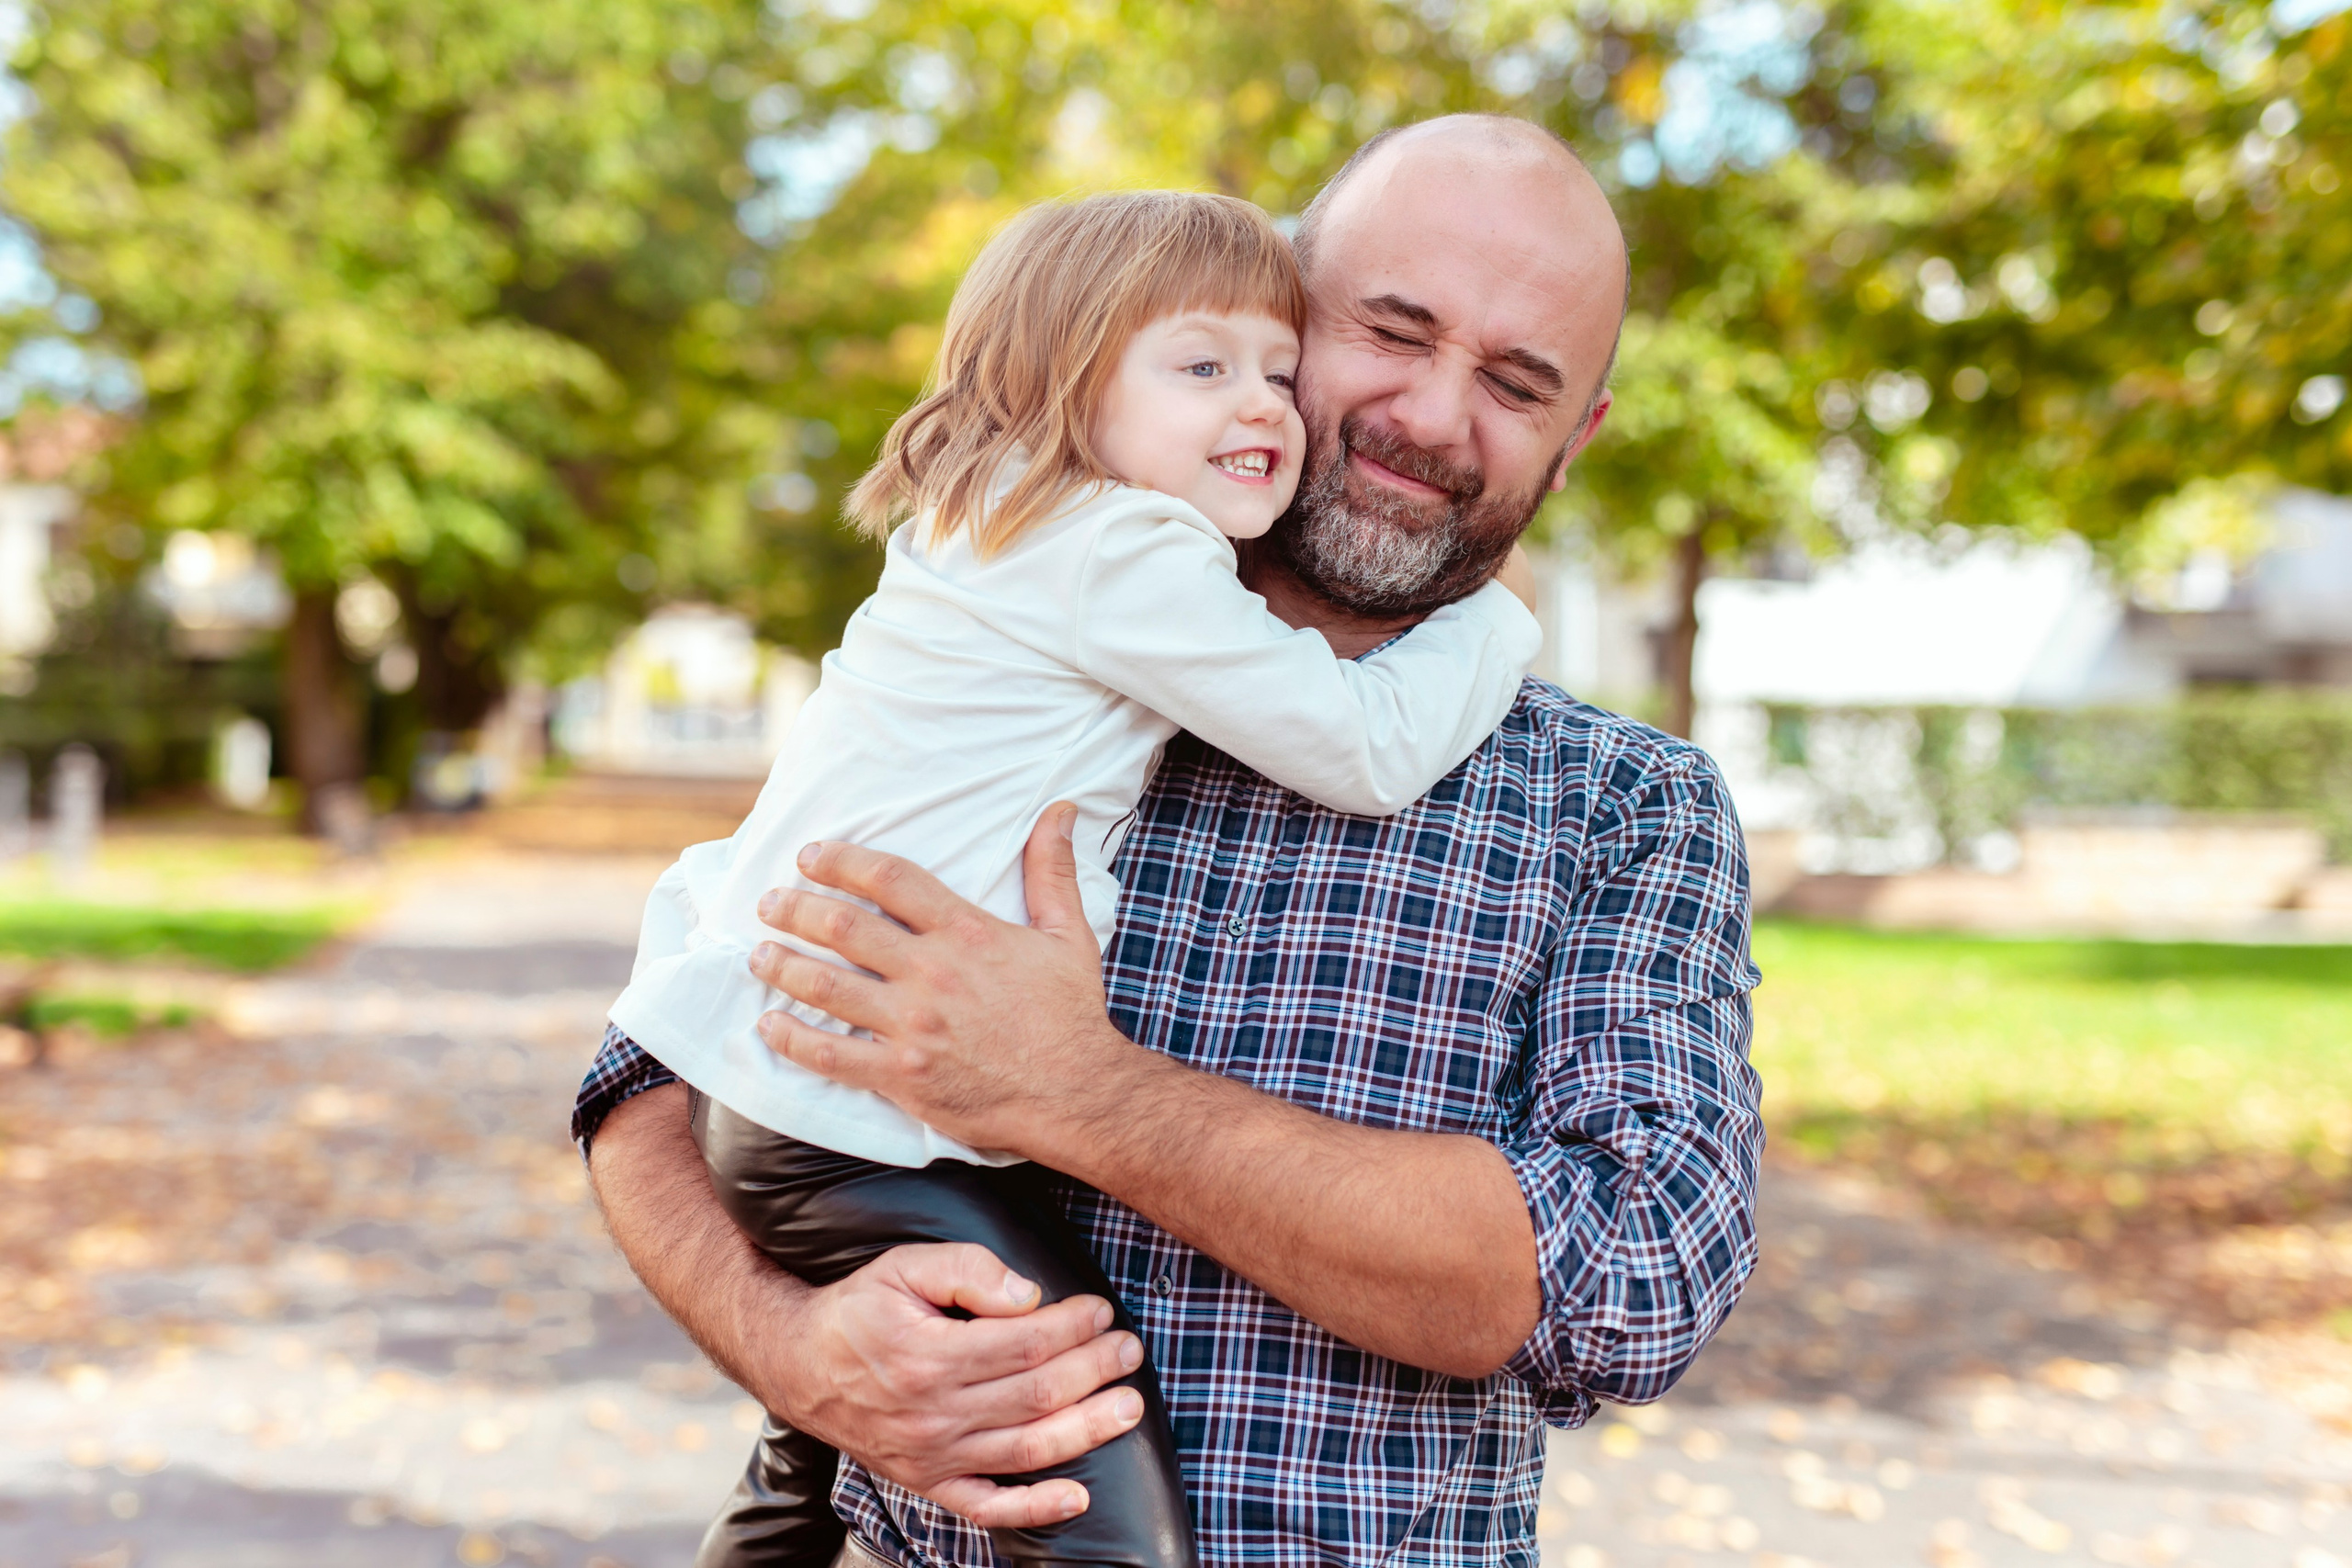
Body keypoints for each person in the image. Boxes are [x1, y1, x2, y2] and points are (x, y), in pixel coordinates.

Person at [577, 114, 1765, 1568]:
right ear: (1280, 310)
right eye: (1390, 332)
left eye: (1518, 384)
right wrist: (793, 1349)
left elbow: (1634, 1280)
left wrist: (1079, 1091)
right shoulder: (1022, 639)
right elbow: (658, 1063)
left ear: (1577, 440)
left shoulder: (1624, 803)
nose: (1434, 414)